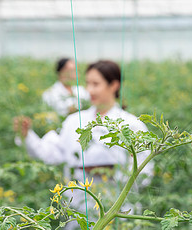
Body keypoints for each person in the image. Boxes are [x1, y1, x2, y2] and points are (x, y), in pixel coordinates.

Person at [15, 60, 153, 207]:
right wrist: (27, 136)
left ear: (114, 85)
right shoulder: (73, 121)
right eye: (88, 83)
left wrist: (112, 175)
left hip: (117, 211)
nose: (90, 90)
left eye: (96, 84)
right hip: (77, 209)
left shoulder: (131, 124)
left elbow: (145, 172)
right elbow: (52, 154)